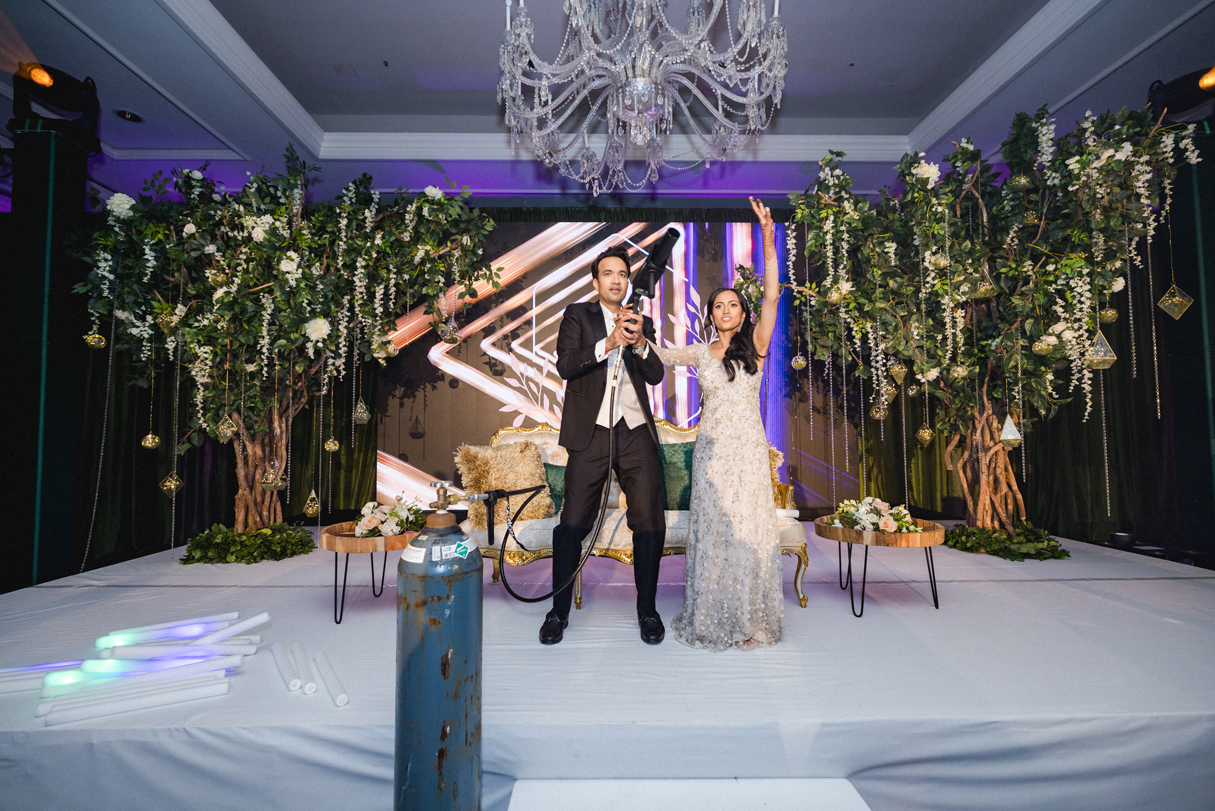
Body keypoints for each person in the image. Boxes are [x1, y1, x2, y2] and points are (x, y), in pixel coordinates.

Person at [649, 197, 784, 651]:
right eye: (718, 305)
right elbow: (660, 355)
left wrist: (768, 242)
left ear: (742, 313)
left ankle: (748, 616)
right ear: (710, 314)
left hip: (747, 449)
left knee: (746, 528)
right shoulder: (700, 352)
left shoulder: (757, 345)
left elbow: (771, 296)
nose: (726, 310)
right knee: (714, 531)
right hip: (711, 451)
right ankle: (711, 614)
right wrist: (633, 333)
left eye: (733, 305)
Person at [540, 245, 668, 645]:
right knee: (572, 523)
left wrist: (640, 342)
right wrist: (609, 343)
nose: (617, 280)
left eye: (623, 274)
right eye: (608, 273)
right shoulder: (578, 315)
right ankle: (558, 612)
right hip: (591, 432)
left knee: (649, 522)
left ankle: (647, 611)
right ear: (595, 281)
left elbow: (655, 375)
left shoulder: (640, 320)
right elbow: (566, 365)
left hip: (635, 433)